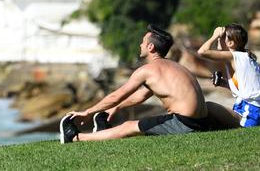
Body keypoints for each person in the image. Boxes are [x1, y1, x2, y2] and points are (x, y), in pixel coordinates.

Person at [60, 24, 212, 143]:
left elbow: (117, 95)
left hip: (184, 124)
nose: (140, 45)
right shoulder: (174, 67)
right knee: (133, 124)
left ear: (151, 47)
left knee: (128, 126)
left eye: (143, 42)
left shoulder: (148, 70)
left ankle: (75, 138)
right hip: (201, 122)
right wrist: (117, 107)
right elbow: (142, 95)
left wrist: (87, 112)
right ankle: (100, 132)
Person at [197, 24, 260, 128]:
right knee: (213, 117)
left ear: (231, 43)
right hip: (258, 111)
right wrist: (225, 84)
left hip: (252, 112)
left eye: (221, 37)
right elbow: (247, 89)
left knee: (208, 107)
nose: (219, 39)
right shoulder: (243, 57)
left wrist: (214, 35)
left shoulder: (235, 56)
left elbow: (202, 52)